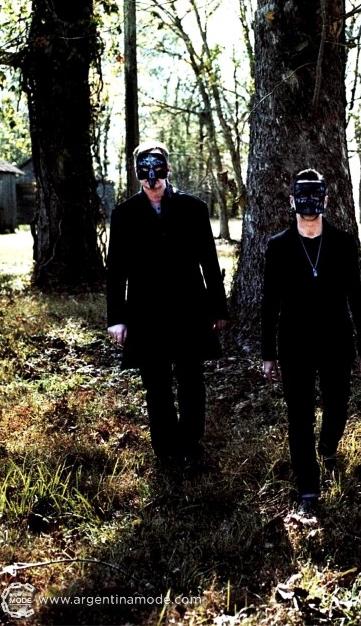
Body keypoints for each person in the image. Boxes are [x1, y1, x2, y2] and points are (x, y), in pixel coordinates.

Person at [106, 140, 228, 476]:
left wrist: (218, 308)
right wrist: (116, 318)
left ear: (168, 168)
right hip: (145, 311)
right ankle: (165, 449)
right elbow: (116, 270)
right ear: (136, 172)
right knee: (156, 383)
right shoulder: (124, 214)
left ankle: (191, 446)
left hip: (189, 307)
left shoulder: (193, 208)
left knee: (191, 380)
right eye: (144, 169)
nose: (152, 176)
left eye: (157, 167)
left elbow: (209, 260)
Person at [261, 168, 361, 517]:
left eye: (316, 196)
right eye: (302, 196)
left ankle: (327, 446)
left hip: (336, 341)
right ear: (292, 200)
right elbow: (269, 303)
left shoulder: (343, 243)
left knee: (337, 406)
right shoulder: (278, 246)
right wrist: (267, 354)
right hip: (294, 344)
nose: (309, 203)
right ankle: (308, 489)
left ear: (325, 200)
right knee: (299, 417)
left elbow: (357, 297)